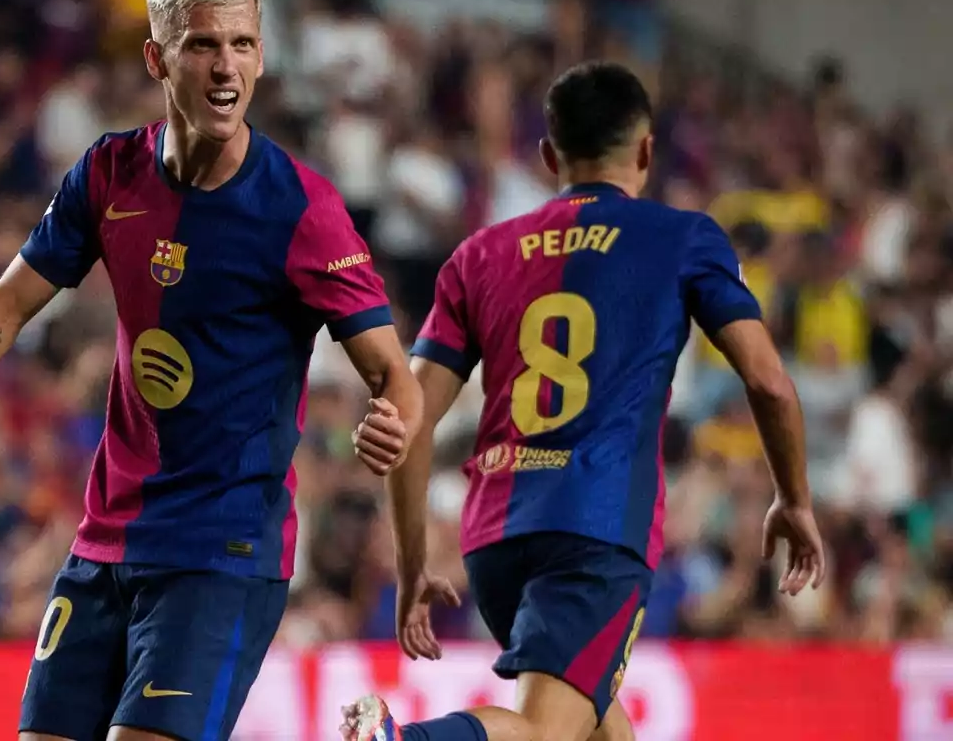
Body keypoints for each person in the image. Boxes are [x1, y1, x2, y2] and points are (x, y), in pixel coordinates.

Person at [0, 0, 421, 741]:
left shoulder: (302, 209)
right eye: (202, 45)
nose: (225, 66)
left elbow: (393, 374)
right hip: (106, 538)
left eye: (241, 44)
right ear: (157, 58)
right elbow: (5, 307)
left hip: (222, 549)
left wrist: (395, 418)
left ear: (263, 57)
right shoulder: (107, 175)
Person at [344, 61, 826, 741]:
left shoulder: (478, 255)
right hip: (596, 529)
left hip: (496, 540)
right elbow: (769, 380)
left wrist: (414, 561)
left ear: (548, 156)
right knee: (544, 733)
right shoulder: (683, 237)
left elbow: (409, 419)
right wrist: (795, 499)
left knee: (596, 727)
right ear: (648, 151)